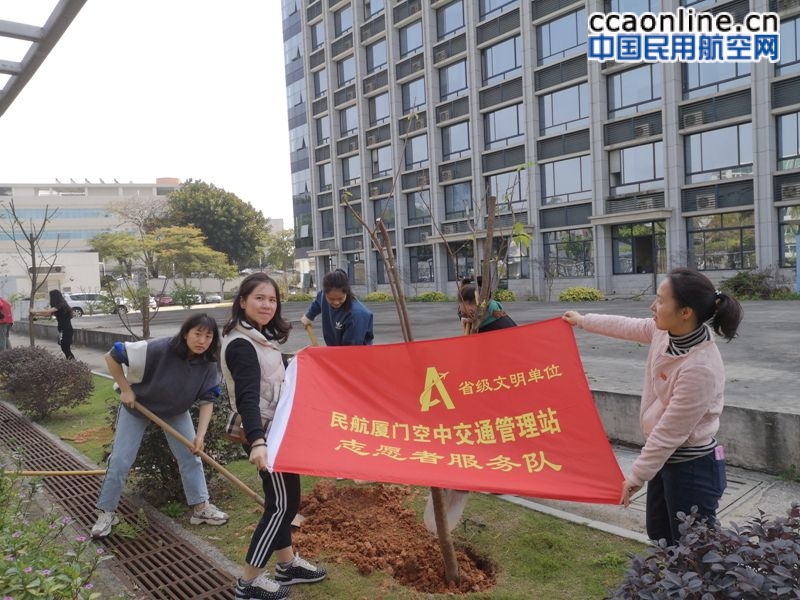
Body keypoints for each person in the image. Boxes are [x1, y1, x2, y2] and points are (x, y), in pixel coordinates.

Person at [562, 267, 743, 546]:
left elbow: (671, 431)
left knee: (694, 546)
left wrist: (636, 477)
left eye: (660, 300)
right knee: (660, 532)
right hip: (666, 461)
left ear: (685, 312)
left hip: (692, 468)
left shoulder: (701, 368)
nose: (652, 306)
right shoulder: (666, 333)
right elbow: (627, 326)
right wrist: (583, 321)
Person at [221, 273, 327, 600]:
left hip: (277, 432)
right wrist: (257, 441)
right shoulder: (241, 345)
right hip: (267, 435)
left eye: (272, 299)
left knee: (283, 500)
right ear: (242, 302)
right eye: (259, 298)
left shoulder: (259, 337)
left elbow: (274, 379)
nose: (267, 305)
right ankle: (249, 582)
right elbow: (248, 398)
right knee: (282, 505)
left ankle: (287, 565)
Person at [91, 313, 229, 538]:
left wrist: (200, 436)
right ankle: (107, 512)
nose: (202, 340)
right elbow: (111, 355)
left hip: (175, 411)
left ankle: (201, 508)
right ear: (186, 333)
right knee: (120, 460)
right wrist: (125, 389)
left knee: (191, 456)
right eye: (197, 334)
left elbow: (207, 401)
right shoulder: (159, 348)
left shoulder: (208, 363)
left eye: (208, 336)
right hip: (138, 407)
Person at [299, 269, 373, 346]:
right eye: (331, 299)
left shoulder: (356, 315)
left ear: (347, 292)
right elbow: (318, 302)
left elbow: (351, 348)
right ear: (325, 293)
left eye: (340, 298)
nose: (336, 302)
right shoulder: (323, 295)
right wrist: (309, 316)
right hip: (334, 348)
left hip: (356, 352)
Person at [30, 290, 75, 359]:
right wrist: (35, 314)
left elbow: (48, 311)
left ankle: (72, 363)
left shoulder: (61, 305)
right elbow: (47, 314)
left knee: (65, 348)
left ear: (54, 297)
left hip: (66, 330)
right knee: (64, 348)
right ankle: (71, 363)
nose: (49, 298)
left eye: (50, 296)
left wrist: (35, 311)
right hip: (63, 330)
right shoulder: (59, 305)